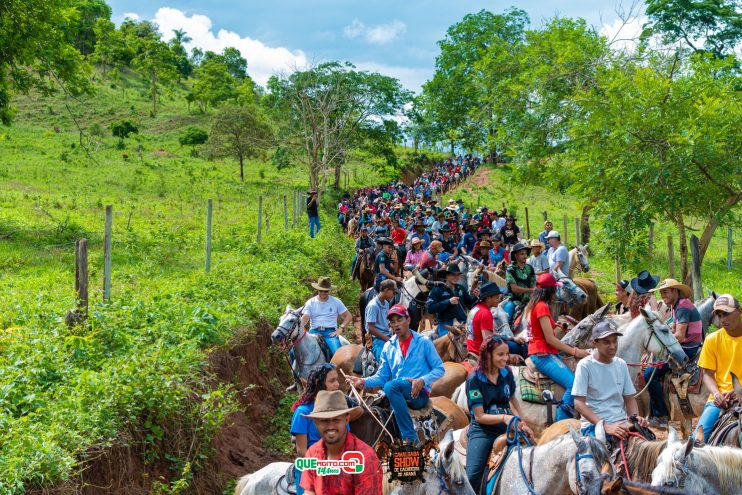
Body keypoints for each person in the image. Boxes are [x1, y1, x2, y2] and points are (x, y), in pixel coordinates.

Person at [347, 304, 445, 446]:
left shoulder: (423, 342)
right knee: (381, 397)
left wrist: (422, 380)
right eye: (392, 322)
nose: (396, 324)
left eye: (399, 320)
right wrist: (362, 381)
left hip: (418, 394)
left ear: (408, 320)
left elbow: (440, 369)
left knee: (391, 386)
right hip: (397, 392)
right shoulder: (389, 346)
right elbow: (381, 376)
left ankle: (411, 438)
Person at [465, 336, 534, 492]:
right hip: (483, 430)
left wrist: (522, 423)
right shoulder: (474, 379)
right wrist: (505, 417)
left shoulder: (506, 373)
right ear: (488, 355)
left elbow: (512, 400)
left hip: (508, 425)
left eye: (507, 354)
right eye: (500, 354)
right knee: (472, 477)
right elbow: (479, 416)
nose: (505, 358)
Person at [527, 273, 590, 421]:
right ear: (550, 291)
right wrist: (575, 351)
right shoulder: (542, 307)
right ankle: (561, 420)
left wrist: (556, 325)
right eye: (554, 289)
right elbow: (550, 339)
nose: (556, 292)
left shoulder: (536, 305)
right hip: (542, 354)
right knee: (573, 384)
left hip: (544, 351)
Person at [573, 320, 649, 442]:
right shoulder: (585, 365)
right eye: (606, 342)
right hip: (594, 425)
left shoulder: (621, 364)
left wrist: (635, 418)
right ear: (594, 343)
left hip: (622, 422)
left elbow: (629, 398)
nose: (613, 346)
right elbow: (578, 403)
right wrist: (604, 426)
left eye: (615, 341)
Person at [291, 364, 361, 494]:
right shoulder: (303, 412)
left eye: (337, 380)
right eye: (332, 381)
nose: (337, 385)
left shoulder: (341, 412)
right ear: (319, 383)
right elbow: (302, 451)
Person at [299, 390, 383, 495]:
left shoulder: (365, 457)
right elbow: (309, 491)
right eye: (324, 421)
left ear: (347, 419)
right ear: (316, 423)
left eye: (336, 420)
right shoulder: (312, 453)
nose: (330, 427)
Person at [645, 278, 703, 427]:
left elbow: (680, 335)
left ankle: (660, 415)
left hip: (687, 348)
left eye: (666, 292)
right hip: (686, 345)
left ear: (675, 291)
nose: (663, 295)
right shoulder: (676, 306)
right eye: (661, 293)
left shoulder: (682, 307)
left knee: (649, 374)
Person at [694, 294, 742, 441]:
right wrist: (716, 394)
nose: (723, 319)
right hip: (721, 400)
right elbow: (707, 374)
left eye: (726, 314)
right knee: (696, 441)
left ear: (739, 311)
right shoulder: (712, 340)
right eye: (719, 315)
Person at [466, 283, 526, 366]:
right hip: (481, 353)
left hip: (472, 349)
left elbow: (489, 333)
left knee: (512, 343)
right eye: (496, 297)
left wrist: (512, 338)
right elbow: (488, 341)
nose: (499, 299)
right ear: (488, 298)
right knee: (520, 348)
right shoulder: (485, 313)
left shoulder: (475, 308)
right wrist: (508, 356)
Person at [301, 277, 353, 357]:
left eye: (326, 291)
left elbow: (348, 316)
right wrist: (299, 328)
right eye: (321, 290)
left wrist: (341, 328)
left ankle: (336, 369)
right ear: (317, 290)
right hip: (314, 331)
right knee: (294, 351)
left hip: (330, 332)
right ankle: (295, 369)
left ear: (329, 291)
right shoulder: (310, 302)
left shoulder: (336, 301)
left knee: (337, 354)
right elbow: (305, 318)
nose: (323, 293)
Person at [426, 264, 478, 337]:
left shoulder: (461, 288)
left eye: (458, 275)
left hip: (463, 323)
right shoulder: (437, 289)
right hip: (446, 325)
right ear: (446, 276)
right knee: (451, 341)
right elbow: (430, 309)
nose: (456, 277)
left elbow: (470, 306)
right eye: (453, 275)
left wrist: (475, 297)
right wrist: (448, 302)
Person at [503, 242, 536, 325]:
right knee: (507, 318)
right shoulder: (510, 269)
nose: (525, 256)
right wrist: (532, 290)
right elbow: (514, 289)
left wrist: (534, 293)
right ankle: (506, 333)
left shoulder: (530, 268)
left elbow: (533, 283)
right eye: (522, 254)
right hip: (514, 299)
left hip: (529, 300)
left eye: (525, 253)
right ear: (515, 256)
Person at [365, 279, 396, 361]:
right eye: (393, 292)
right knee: (384, 361)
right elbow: (371, 328)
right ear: (386, 290)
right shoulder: (373, 306)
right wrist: (386, 339)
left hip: (387, 335)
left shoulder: (386, 303)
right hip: (377, 339)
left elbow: (386, 321)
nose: (394, 295)